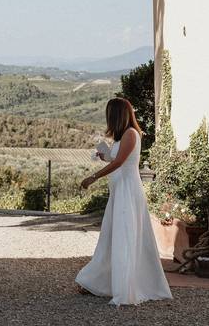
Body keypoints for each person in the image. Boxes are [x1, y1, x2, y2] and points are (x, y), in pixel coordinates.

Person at [75, 97, 172, 305]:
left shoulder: (130, 134)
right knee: (111, 237)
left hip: (128, 192)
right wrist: (106, 156)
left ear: (116, 115)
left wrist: (94, 177)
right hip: (119, 191)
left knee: (124, 236)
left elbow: (120, 163)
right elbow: (118, 159)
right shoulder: (123, 137)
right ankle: (101, 283)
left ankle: (125, 287)